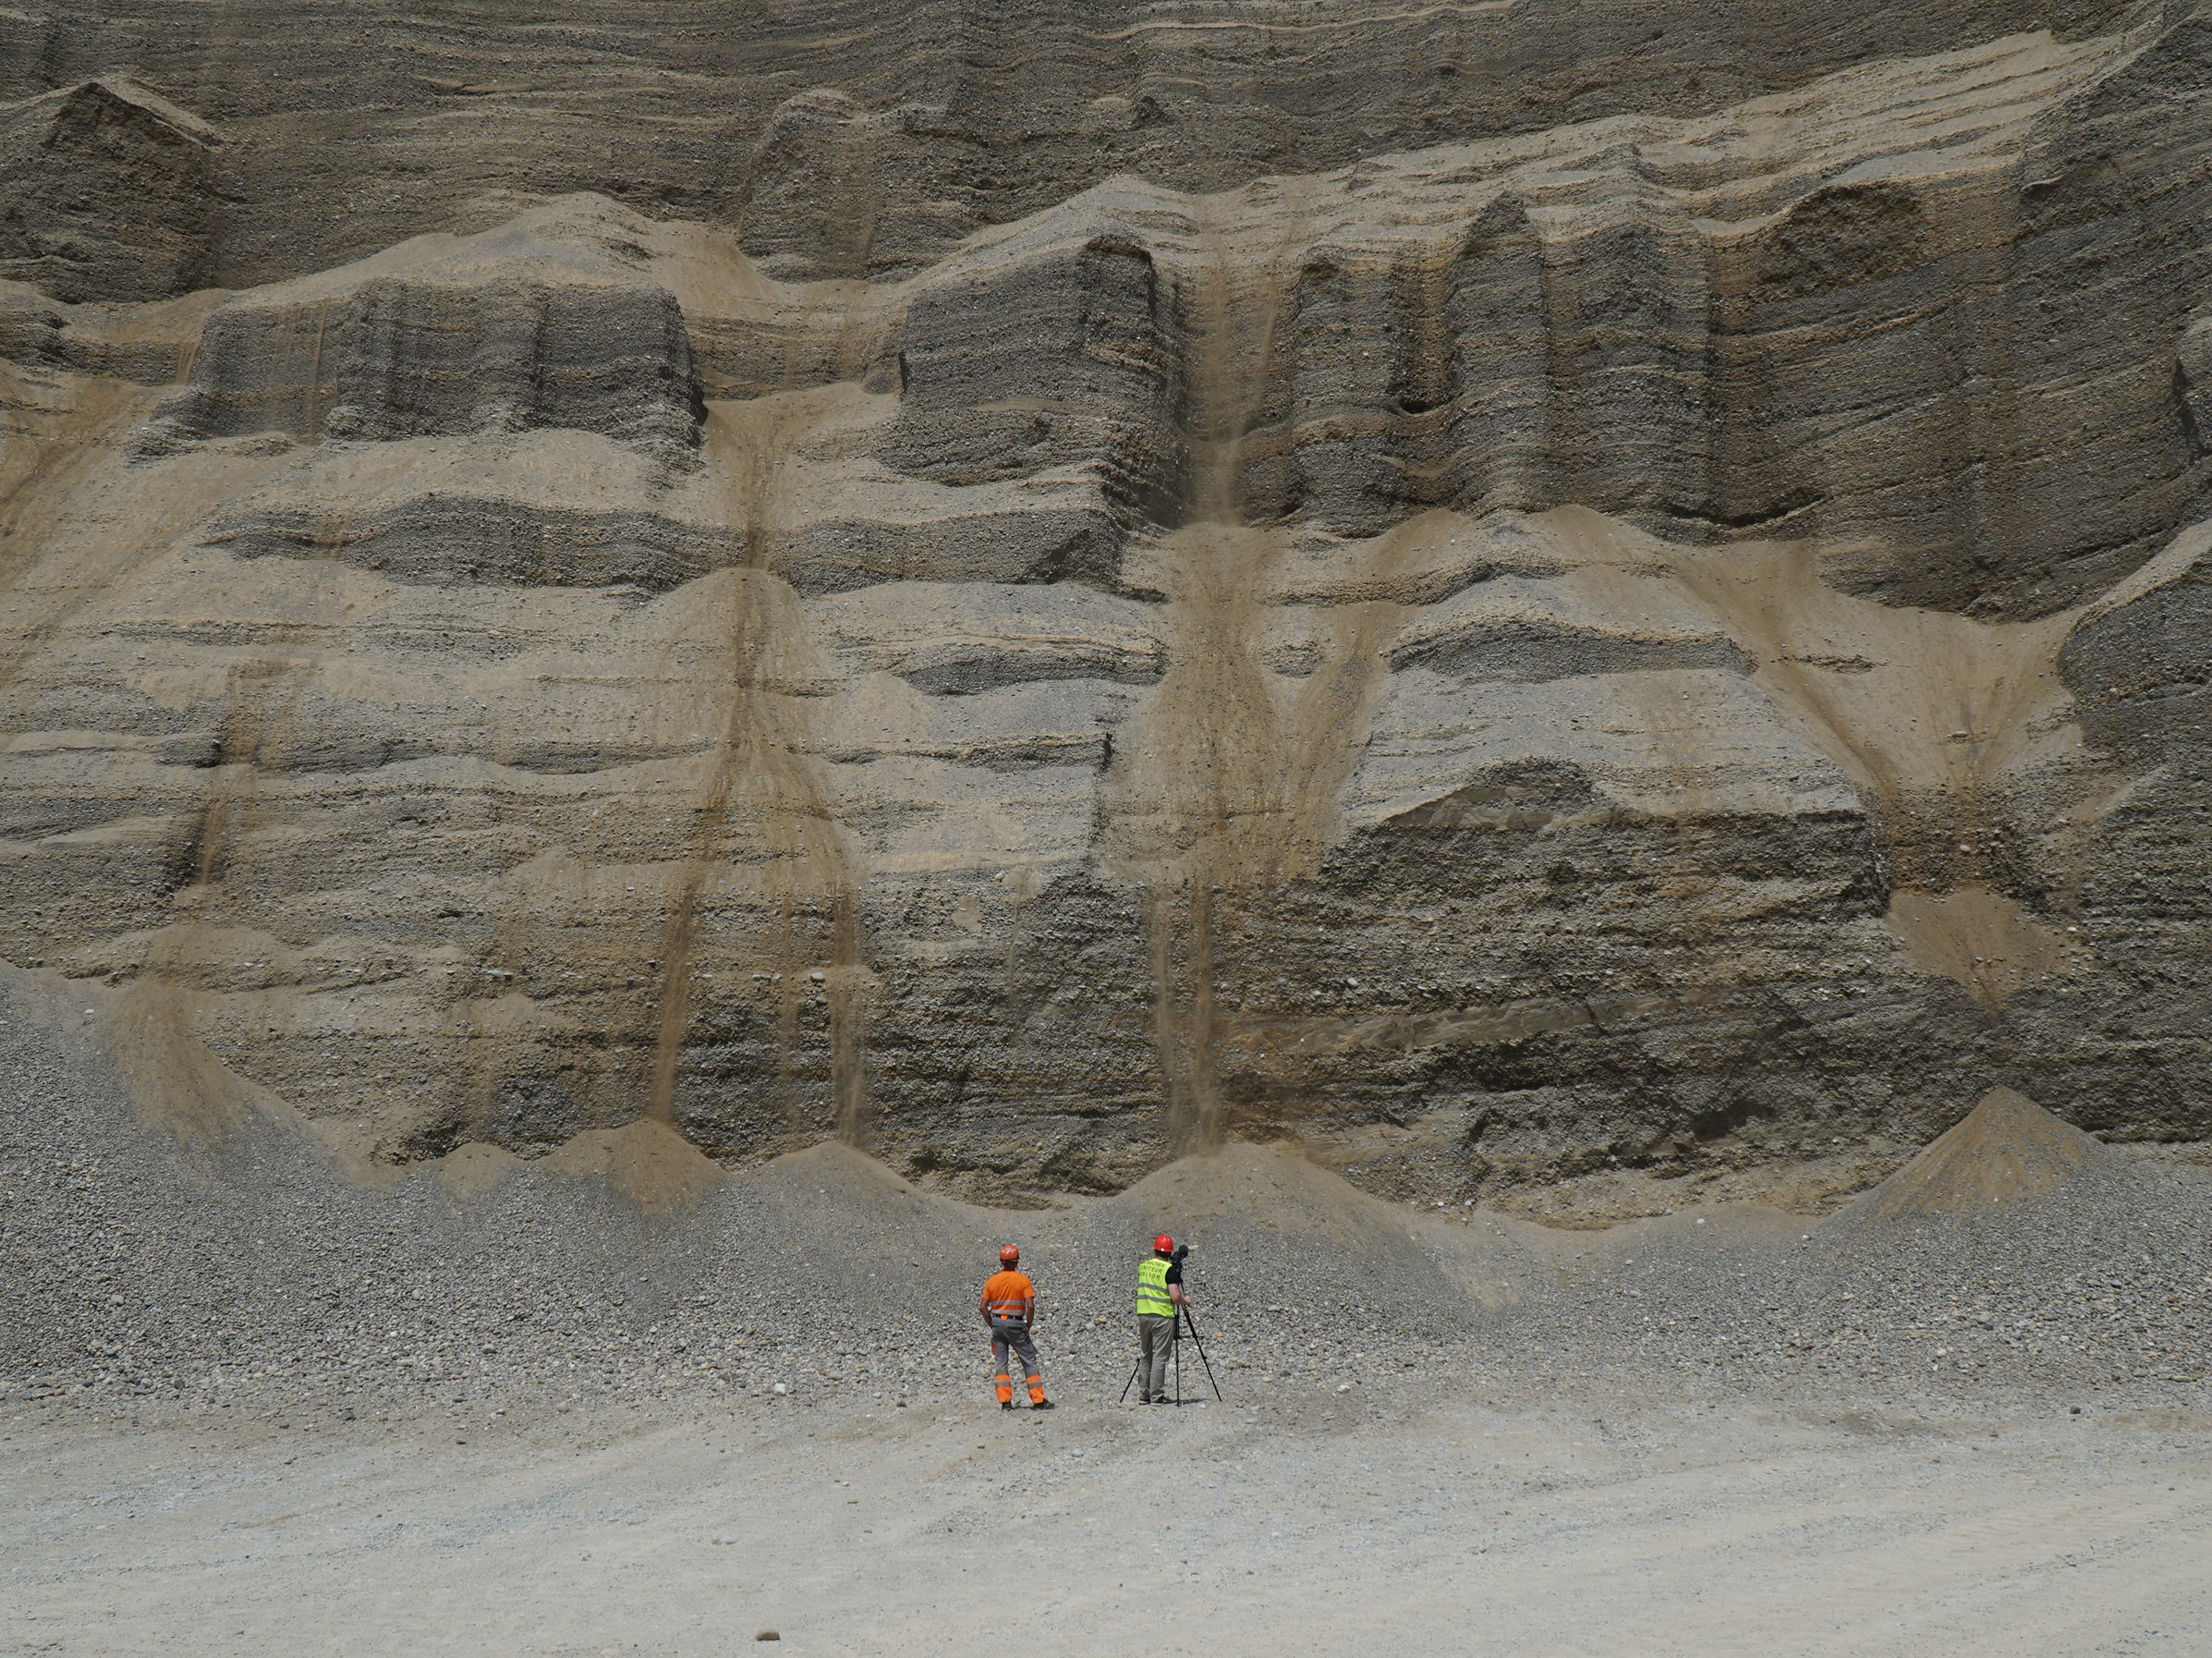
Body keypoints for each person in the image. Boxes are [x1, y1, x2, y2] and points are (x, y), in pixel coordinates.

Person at [980, 1244, 1052, 1410]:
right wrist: (1028, 1325)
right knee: (1029, 1360)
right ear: (1017, 1261)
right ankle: (1038, 1401)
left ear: (1001, 1262)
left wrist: (992, 1324)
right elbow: (1031, 1305)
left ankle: (1005, 1403)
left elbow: (983, 1307)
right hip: (1015, 1323)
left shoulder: (992, 1281)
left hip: (997, 1324)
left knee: (1001, 1363)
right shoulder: (1023, 1280)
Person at [1134, 1233, 1186, 1405]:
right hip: (1162, 1317)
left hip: (1144, 1315)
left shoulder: (1143, 1266)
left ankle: (1144, 1395)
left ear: (1155, 1250)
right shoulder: (1169, 1270)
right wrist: (1186, 1301)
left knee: (1145, 1355)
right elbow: (1175, 1296)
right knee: (1160, 1357)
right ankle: (1157, 1395)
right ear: (1169, 1253)